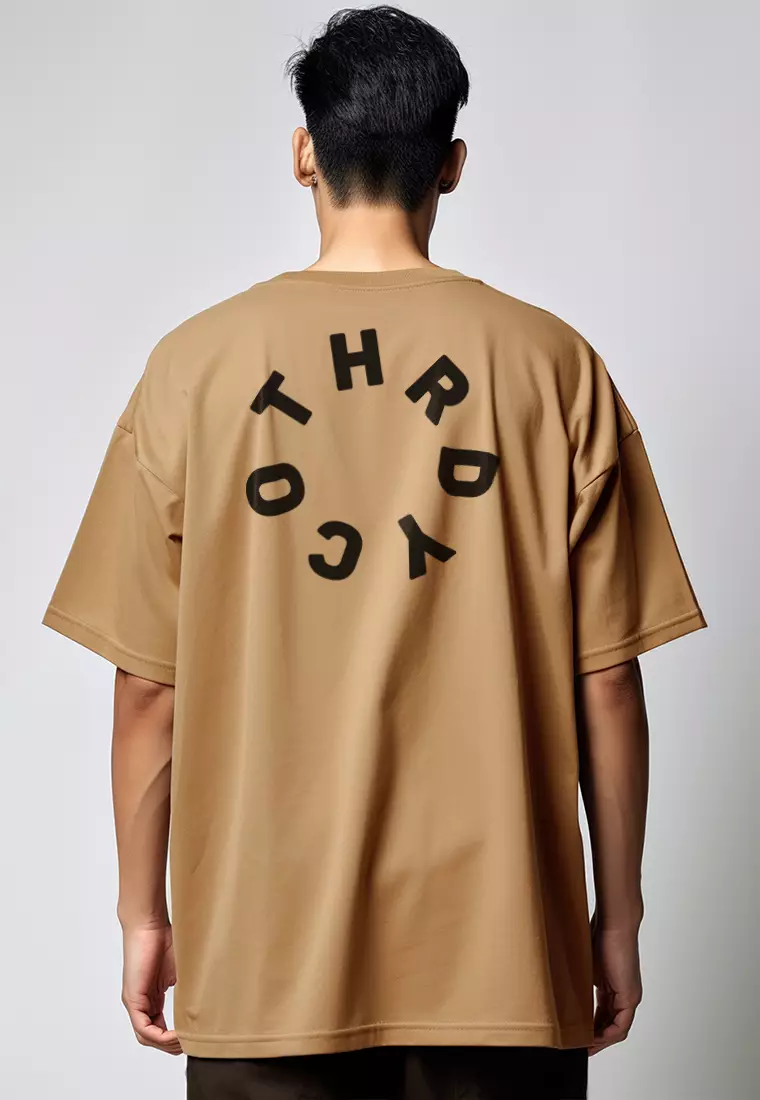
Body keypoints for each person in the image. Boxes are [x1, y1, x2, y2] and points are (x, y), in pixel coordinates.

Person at [42, 7, 707, 1099]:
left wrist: (142, 915)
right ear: (451, 164)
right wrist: (616, 917)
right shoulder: (553, 366)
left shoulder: (193, 369)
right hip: (504, 961)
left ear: (304, 153)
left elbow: (149, 688)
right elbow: (609, 680)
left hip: (264, 960)